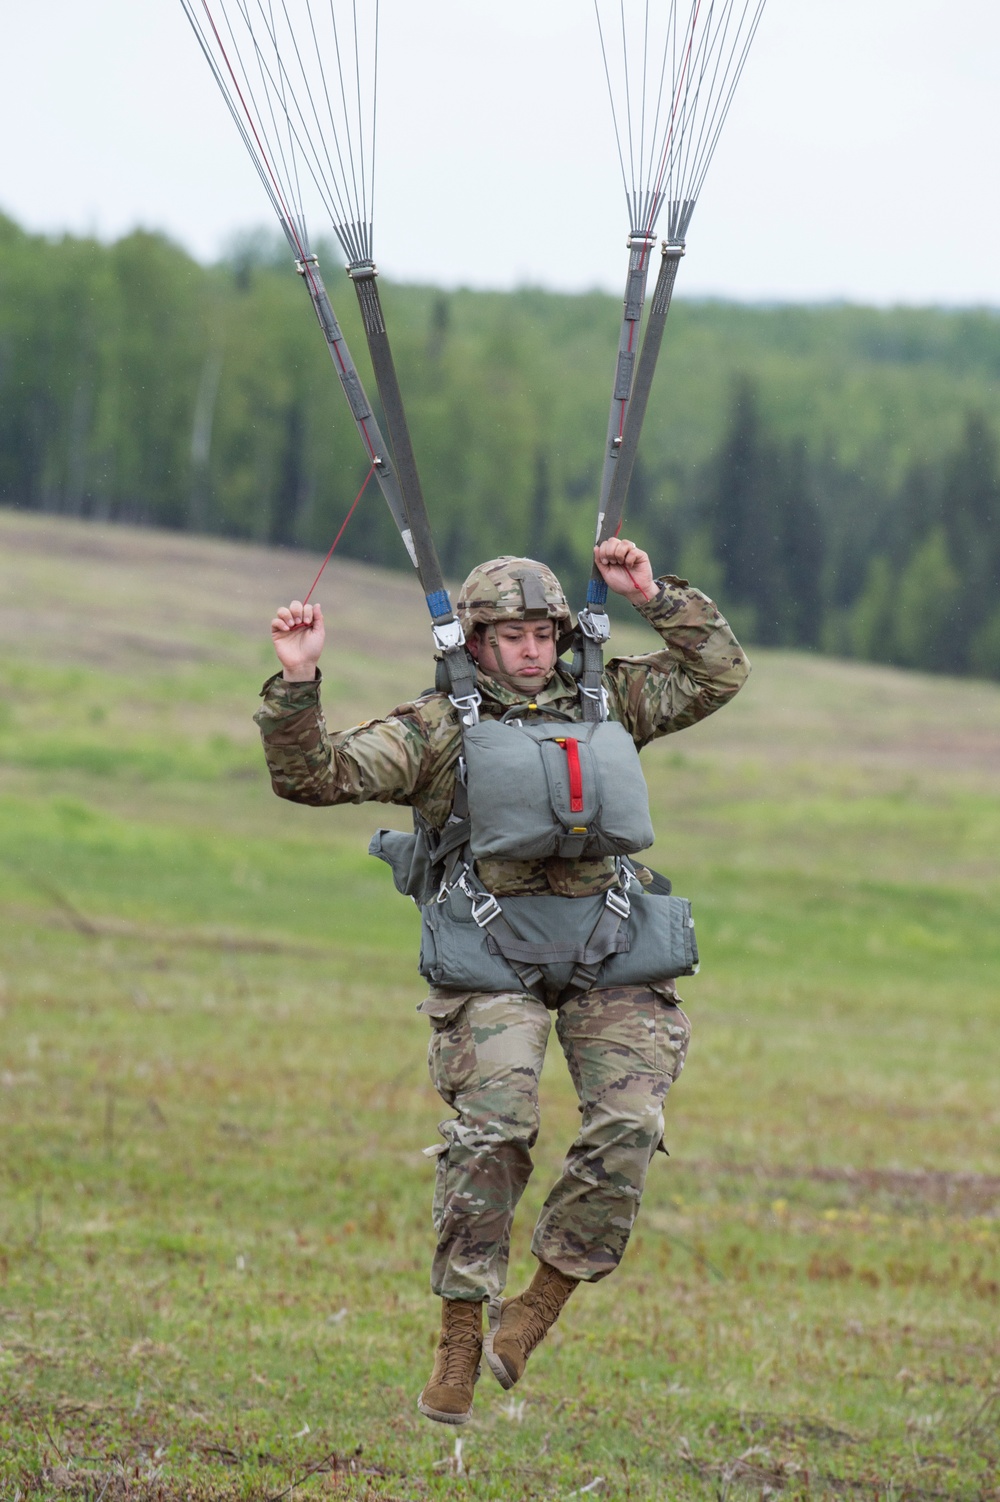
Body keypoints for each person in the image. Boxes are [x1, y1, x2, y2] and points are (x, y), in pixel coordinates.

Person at [255, 537, 749, 1425]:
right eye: (510, 635)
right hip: (494, 955)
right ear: (473, 643)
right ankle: (458, 1329)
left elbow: (718, 675)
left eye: (543, 634)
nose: (530, 650)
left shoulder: (612, 701)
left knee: (632, 1120)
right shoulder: (435, 730)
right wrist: (297, 682)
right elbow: (312, 776)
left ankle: (540, 1302)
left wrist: (652, 595)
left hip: (609, 941)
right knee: (495, 1128)